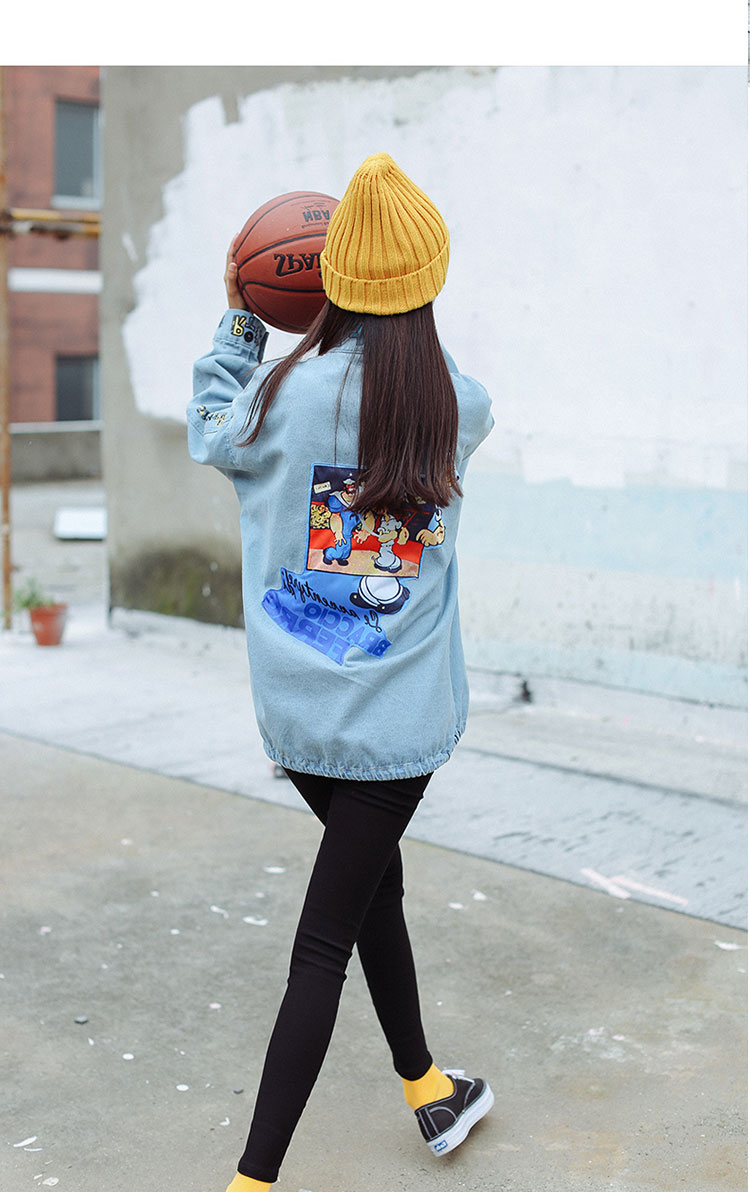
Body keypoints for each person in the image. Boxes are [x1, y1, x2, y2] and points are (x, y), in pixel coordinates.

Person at [187, 152, 495, 1192]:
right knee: (327, 941)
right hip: (398, 731)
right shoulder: (462, 406)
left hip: (301, 717)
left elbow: (209, 430)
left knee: (373, 893)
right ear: (428, 280)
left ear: (327, 278)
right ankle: (253, 1181)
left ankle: (428, 1088)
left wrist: (243, 318)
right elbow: (423, 373)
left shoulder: (277, 399)